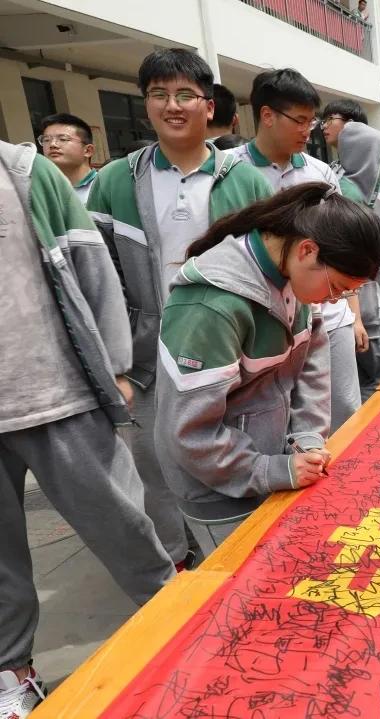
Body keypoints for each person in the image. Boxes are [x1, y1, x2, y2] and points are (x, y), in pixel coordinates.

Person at [0, 139, 175, 718]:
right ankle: (14, 675)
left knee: (125, 527)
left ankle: (179, 627)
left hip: (58, 394)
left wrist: (119, 369)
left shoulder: (24, 172)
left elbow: (93, 270)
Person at [87, 48, 274, 571]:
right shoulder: (115, 180)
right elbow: (98, 275)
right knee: (154, 466)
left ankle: (242, 553)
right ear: (146, 103)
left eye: (185, 94)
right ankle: (175, 565)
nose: (173, 105)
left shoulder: (245, 179)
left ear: (208, 104)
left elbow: (267, 268)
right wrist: (115, 362)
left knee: (231, 448)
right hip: (148, 357)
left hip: (230, 348)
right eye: (159, 94)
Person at [155, 182, 380, 554]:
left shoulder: (291, 275)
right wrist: (272, 470)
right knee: (247, 591)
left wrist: (307, 438)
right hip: (218, 488)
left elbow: (311, 362)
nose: (335, 300)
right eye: (338, 288)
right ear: (308, 250)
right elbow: (191, 434)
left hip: (270, 465)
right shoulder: (211, 306)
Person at [230, 68, 364, 432]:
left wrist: (354, 313)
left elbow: (342, 246)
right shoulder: (232, 174)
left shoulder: (321, 174)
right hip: (265, 320)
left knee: (344, 410)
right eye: (300, 120)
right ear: (267, 115)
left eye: (312, 120)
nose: (310, 130)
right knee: (276, 419)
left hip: (327, 314)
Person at [335, 121, 380, 399]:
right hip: (359, 298)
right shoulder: (348, 195)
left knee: (366, 376)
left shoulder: (362, 192)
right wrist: (357, 316)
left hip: (361, 293)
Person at [38, 112, 97, 203]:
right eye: (46, 140)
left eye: (63, 139)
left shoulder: (103, 186)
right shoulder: (40, 191)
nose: (52, 144)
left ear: (88, 150)